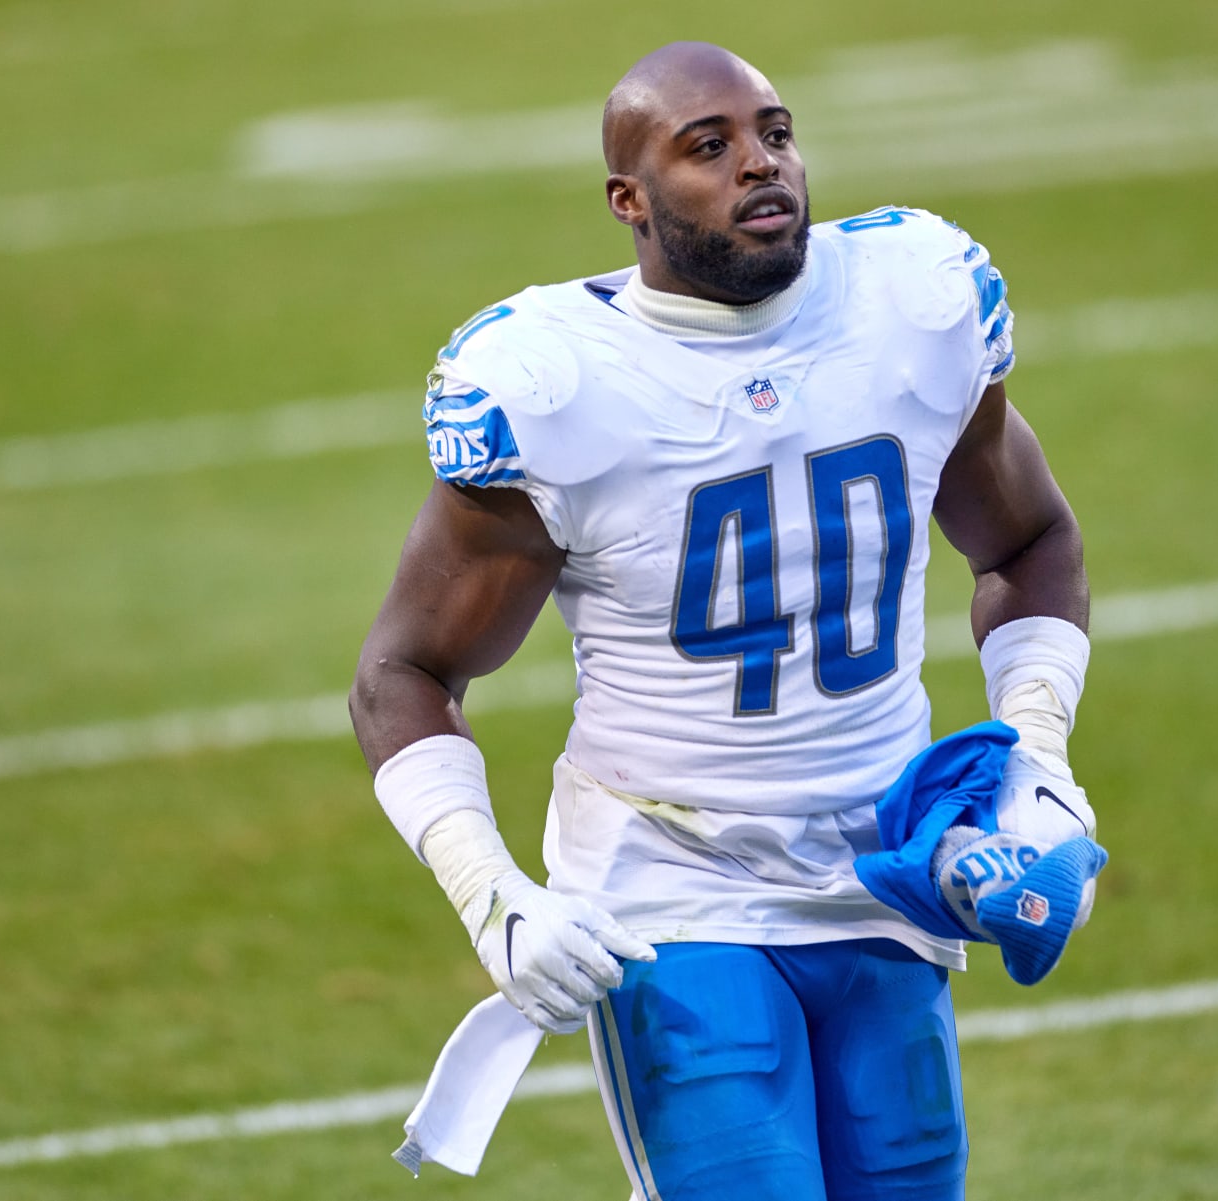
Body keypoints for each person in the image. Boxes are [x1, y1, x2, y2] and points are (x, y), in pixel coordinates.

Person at [349, 40, 1103, 1201]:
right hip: (671, 878)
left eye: (776, 132)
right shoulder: (555, 387)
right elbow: (405, 670)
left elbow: (1027, 541)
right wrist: (489, 892)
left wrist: (1038, 753)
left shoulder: (913, 303)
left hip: (888, 865)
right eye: (710, 147)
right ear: (630, 202)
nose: (763, 164)